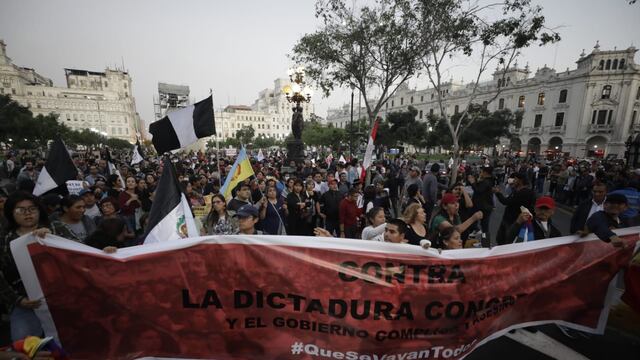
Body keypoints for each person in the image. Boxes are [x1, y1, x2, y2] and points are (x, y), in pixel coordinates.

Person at [0, 192, 74, 341]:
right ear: (11, 213)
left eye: (32, 209)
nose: (28, 213)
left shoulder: (56, 227)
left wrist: (53, 239)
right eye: (21, 210)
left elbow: (79, 251)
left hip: (65, 298)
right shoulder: (4, 239)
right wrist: (18, 300)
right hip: (27, 303)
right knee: (25, 346)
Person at [493, 173, 536, 245]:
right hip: (508, 219)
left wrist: (498, 193)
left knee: (507, 241)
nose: (514, 181)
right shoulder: (517, 191)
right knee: (500, 239)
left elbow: (506, 201)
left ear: (520, 181)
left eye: (515, 179)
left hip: (513, 222)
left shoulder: (524, 193)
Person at [468, 165, 493, 246]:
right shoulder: (487, 181)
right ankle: (483, 241)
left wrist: (473, 183)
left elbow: (478, 190)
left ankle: (485, 243)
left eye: (481, 172)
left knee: (484, 227)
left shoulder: (486, 182)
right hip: (484, 206)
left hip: (483, 207)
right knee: (483, 226)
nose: (480, 173)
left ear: (485, 172)